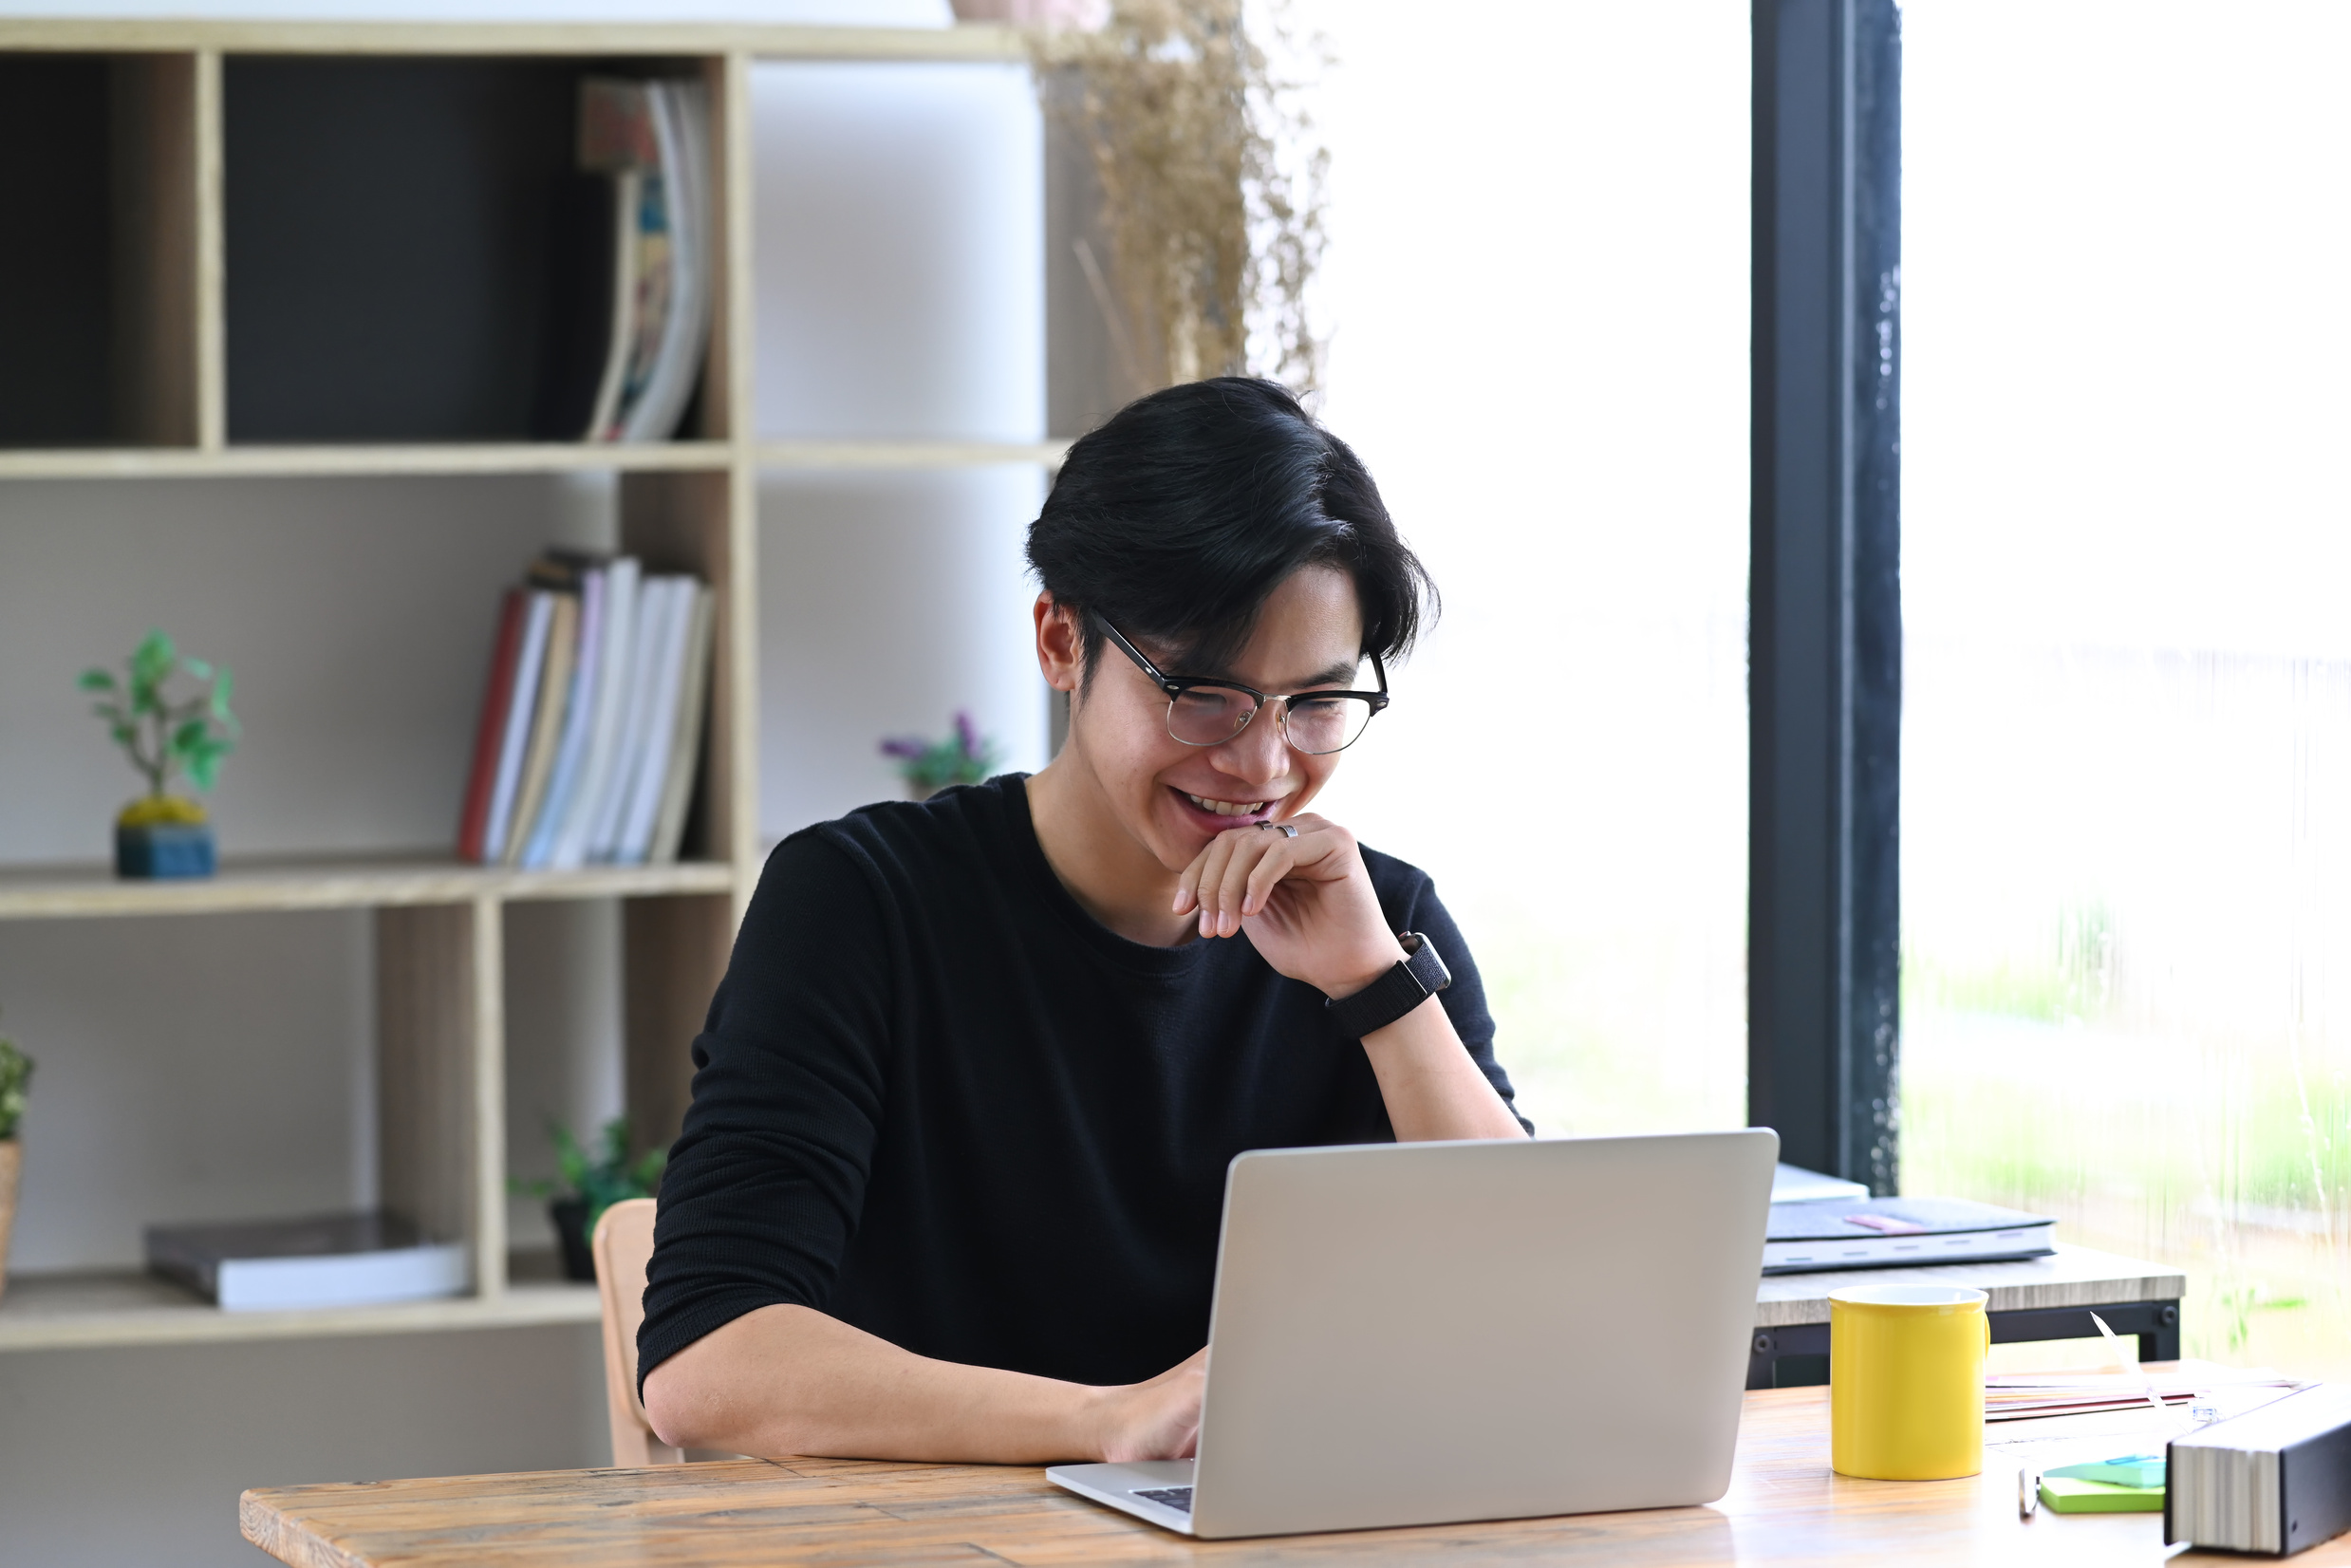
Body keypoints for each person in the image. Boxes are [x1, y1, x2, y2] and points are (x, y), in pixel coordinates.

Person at [639, 377, 1528, 1466]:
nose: (1261, 762)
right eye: (1202, 691)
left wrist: (1376, 987)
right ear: (1062, 641)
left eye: (1313, 702)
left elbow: (1532, 1310)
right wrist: (1105, 1422)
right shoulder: (862, 902)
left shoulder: (1379, 919)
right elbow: (705, 1357)